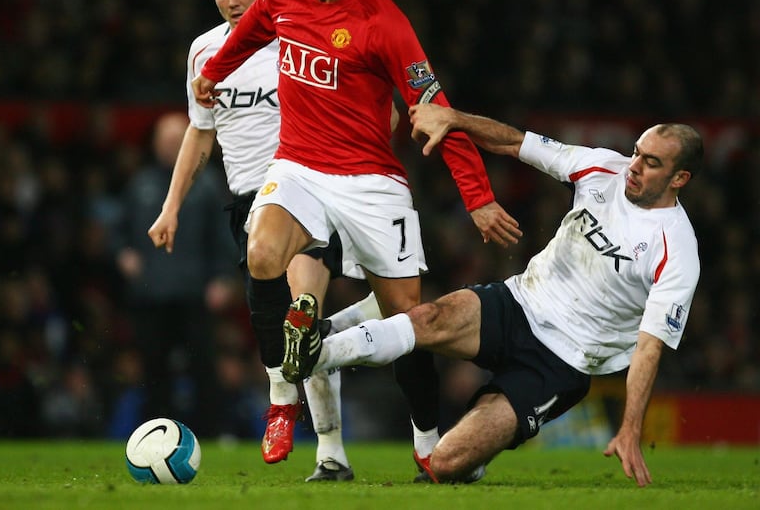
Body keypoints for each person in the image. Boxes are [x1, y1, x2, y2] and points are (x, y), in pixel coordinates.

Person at [191, 0, 522, 479]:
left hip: (371, 182)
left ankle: (427, 442)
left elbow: (434, 108)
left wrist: (478, 196)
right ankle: (282, 400)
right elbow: (246, 33)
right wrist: (212, 74)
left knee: (409, 324)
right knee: (263, 254)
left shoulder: (383, 22)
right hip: (297, 165)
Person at [282, 102, 702, 487]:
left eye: (651, 162)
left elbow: (649, 348)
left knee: (445, 465)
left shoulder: (676, 249)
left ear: (679, 178)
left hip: (563, 359)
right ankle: (315, 354)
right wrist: (455, 119)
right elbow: (515, 142)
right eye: (636, 152)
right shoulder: (602, 169)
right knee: (427, 318)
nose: (634, 166)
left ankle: (472, 457)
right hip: (520, 303)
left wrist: (630, 429)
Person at [147, 0, 384, 481]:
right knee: (291, 331)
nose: (232, 0)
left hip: (304, 189)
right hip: (246, 203)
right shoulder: (204, 52)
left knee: (304, 312)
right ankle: (324, 426)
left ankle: (310, 432)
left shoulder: (298, 40)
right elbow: (200, 135)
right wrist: (171, 206)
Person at [116, 111, 232, 437]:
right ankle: (155, 433)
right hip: (150, 293)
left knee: (203, 367)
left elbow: (223, 236)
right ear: (154, 144)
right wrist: (122, 254)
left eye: (176, 140)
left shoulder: (207, 184)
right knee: (154, 369)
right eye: (164, 140)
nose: (169, 146)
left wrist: (223, 277)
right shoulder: (139, 183)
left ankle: (211, 433)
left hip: (195, 292)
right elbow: (119, 232)